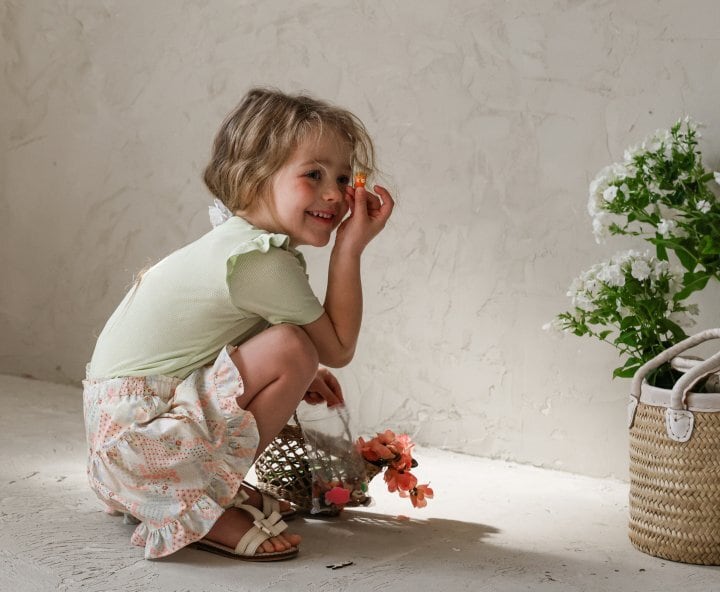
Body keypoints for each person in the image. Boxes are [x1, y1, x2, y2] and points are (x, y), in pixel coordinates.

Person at [83, 87, 394, 561]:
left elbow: (211, 344)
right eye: (313, 174)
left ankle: (196, 488)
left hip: (124, 447)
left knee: (294, 350)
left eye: (343, 178)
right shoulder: (259, 261)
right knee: (293, 348)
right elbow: (339, 348)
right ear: (255, 175)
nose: (334, 194)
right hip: (141, 447)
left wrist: (304, 374)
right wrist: (349, 248)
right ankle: (199, 507)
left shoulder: (240, 244)